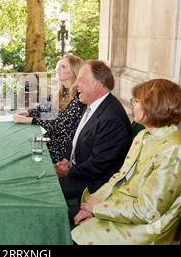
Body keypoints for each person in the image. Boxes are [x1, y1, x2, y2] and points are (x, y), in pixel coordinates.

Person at [71, 79, 181, 245]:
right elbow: (120, 177)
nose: (132, 105)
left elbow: (147, 211)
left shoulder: (175, 151)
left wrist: (97, 209)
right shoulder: (144, 135)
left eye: (136, 101)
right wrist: (93, 204)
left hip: (142, 232)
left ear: (153, 105)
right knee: (57, 219)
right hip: (118, 211)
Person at [55, 60, 132, 207]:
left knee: (41, 189)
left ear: (98, 84)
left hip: (93, 184)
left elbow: (99, 165)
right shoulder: (93, 103)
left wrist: (68, 173)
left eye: (81, 80)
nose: (76, 85)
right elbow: (76, 137)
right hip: (79, 172)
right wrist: (66, 159)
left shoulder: (112, 118)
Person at [13, 54, 85, 163]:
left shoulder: (78, 97)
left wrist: (30, 120)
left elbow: (59, 126)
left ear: (74, 71)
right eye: (58, 66)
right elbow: (45, 108)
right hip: (50, 139)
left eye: (63, 67)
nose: (57, 69)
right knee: (19, 143)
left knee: (21, 152)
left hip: (60, 150)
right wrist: (28, 112)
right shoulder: (63, 91)